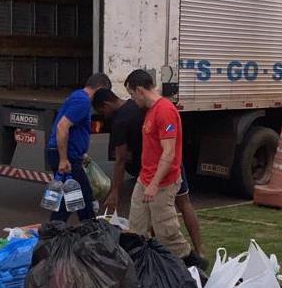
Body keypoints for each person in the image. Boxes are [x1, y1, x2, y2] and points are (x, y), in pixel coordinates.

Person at [92, 88, 205, 259]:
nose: (104, 115)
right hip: (156, 171)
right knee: (170, 210)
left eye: (131, 93)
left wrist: (116, 191)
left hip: (162, 172)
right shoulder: (142, 107)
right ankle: (196, 252)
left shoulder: (126, 119)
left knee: (164, 227)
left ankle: (192, 259)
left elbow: (121, 159)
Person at [123, 69, 205, 268]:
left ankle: (195, 265)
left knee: (167, 232)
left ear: (140, 90)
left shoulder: (165, 111)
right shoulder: (150, 111)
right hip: (145, 179)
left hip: (162, 183)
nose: (132, 100)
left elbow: (168, 153)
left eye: (132, 95)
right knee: (136, 228)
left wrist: (154, 184)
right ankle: (142, 268)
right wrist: (146, 181)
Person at [45, 73, 112, 222]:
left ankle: (88, 230)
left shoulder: (77, 96)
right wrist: (63, 159)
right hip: (66, 156)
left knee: (81, 198)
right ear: (100, 88)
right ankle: (56, 231)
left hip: (69, 155)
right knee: (77, 198)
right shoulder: (83, 101)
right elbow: (62, 127)